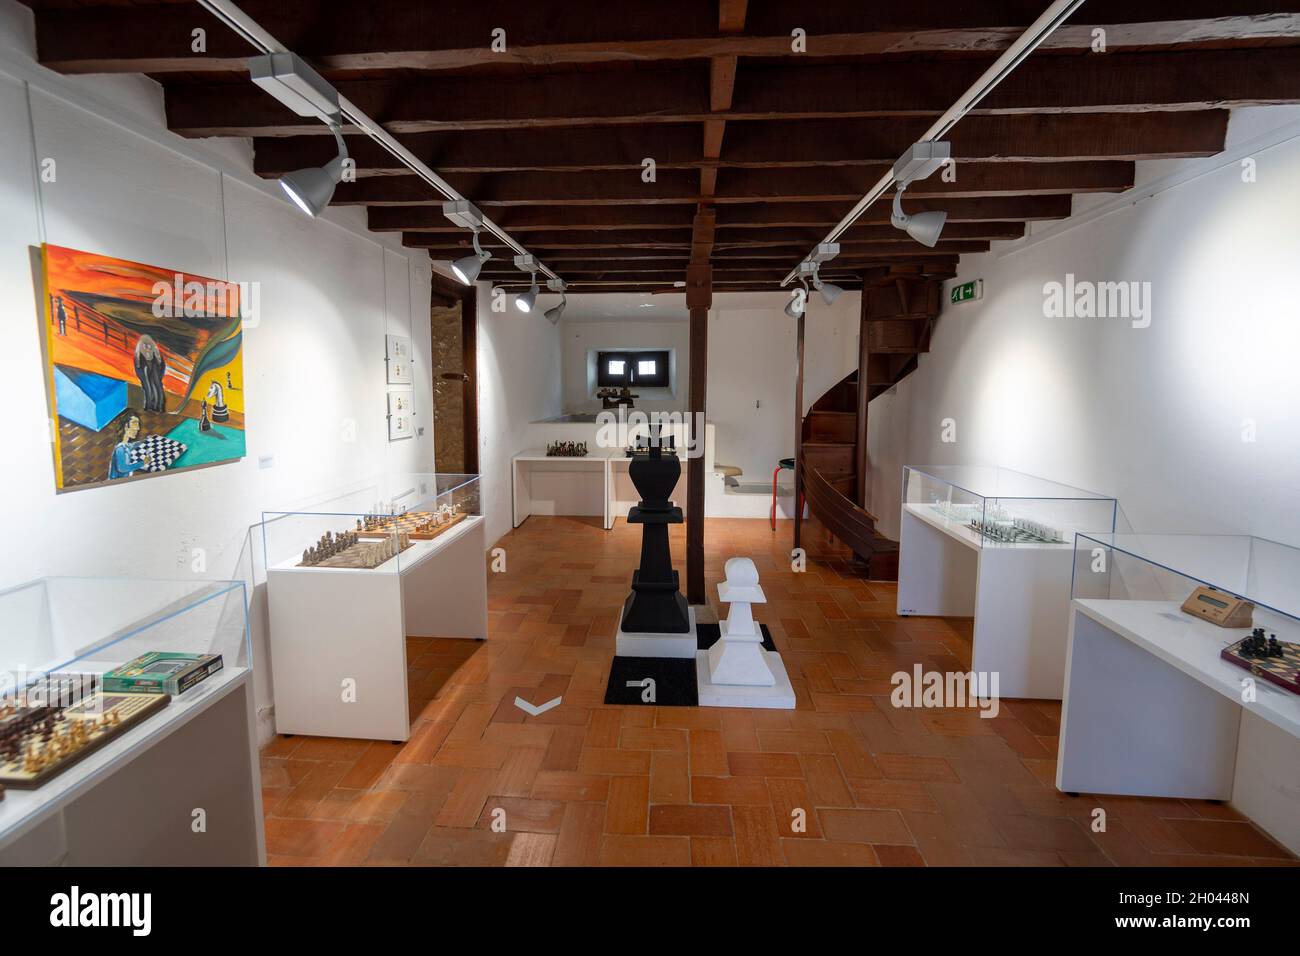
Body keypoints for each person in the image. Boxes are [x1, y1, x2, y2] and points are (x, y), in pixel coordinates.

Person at [108, 411, 151, 480]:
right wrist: (143, 462)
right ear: (126, 426)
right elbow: (122, 468)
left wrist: (145, 440)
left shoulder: (125, 445)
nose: (138, 428)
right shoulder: (120, 449)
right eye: (134, 423)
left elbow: (132, 445)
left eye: (138, 424)